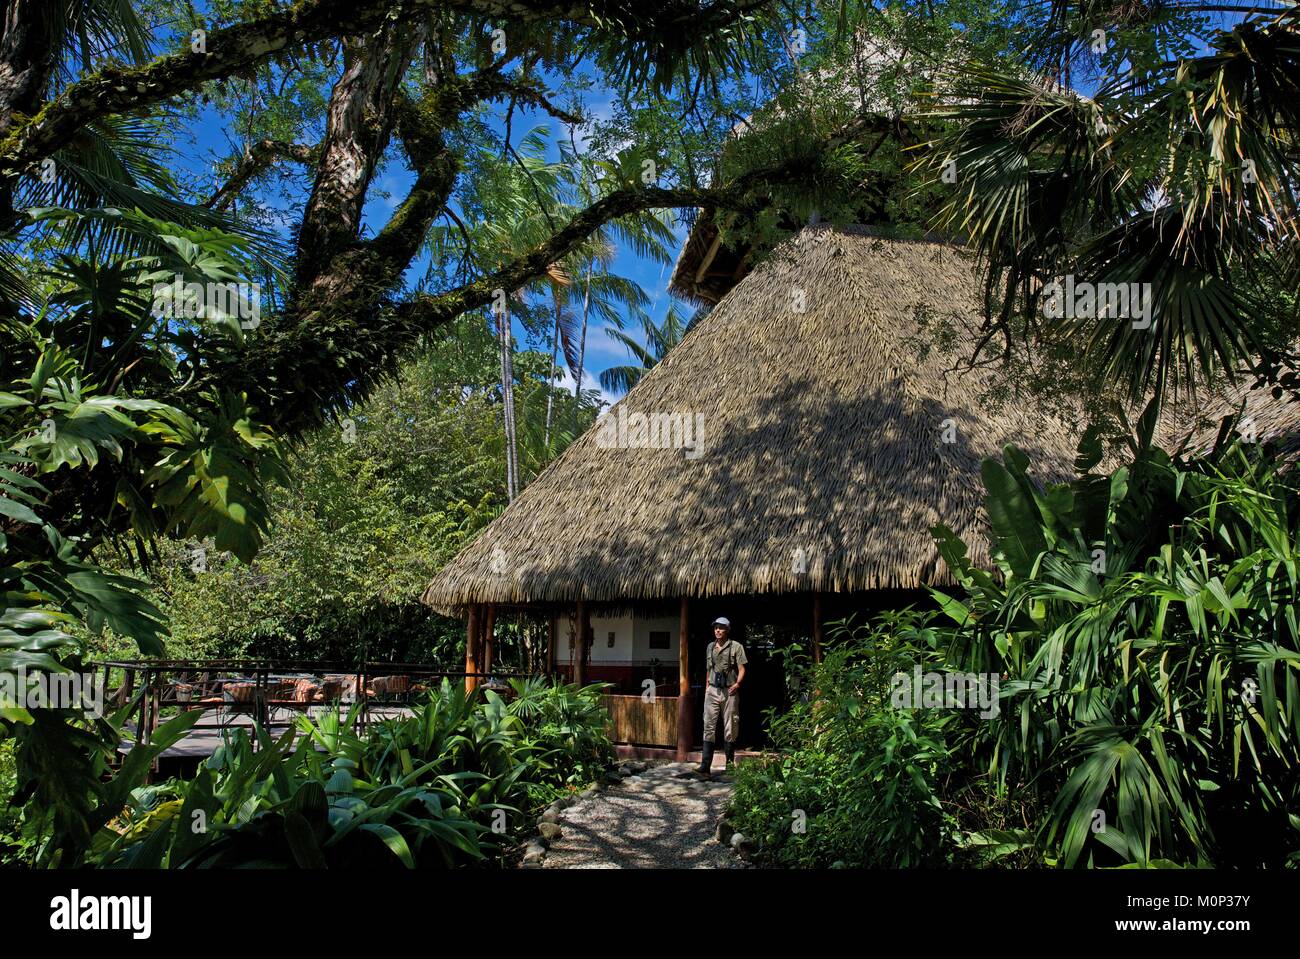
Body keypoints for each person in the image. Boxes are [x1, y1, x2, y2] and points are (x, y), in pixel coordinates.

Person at [698, 616, 747, 780]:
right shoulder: (710, 647)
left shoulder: (736, 647)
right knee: (708, 725)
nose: (718, 630)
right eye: (716, 627)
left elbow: (742, 668)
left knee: (730, 726)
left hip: (729, 691)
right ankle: (705, 767)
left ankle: (730, 765)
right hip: (712, 689)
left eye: (721, 627)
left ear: (727, 629)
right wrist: (707, 688)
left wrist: (738, 684)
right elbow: (708, 669)